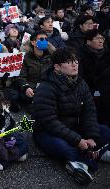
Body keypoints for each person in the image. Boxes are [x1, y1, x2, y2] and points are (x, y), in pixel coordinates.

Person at [32, 48, 110, 185]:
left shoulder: (80, 82)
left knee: (104, 131)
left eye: (75, 61)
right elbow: (50, 122)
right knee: (63, 147)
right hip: (47, 132)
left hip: (74, 127)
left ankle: (88, 156)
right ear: (57, 67)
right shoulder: (46, 87)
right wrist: (78, 141)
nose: (74, 65)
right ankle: (85, 162)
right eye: (69, 62)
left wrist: (91, 136)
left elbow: (89, 111)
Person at [77, 29, 110, 126]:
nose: (101, 41)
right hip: (91, 92)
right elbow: (80, 77)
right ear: (88, 41)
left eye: (102, 38)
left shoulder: (107, 55)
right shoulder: (80, 56)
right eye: (97, 38)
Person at [16, 30, 54, 105]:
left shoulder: (51, 57)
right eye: (41, 39)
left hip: (48, 87)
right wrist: (26, 87)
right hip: (32, 88)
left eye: (46, 39)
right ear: (33, 42)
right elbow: (20, 77)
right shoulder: (25, 58)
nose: (44, 41)